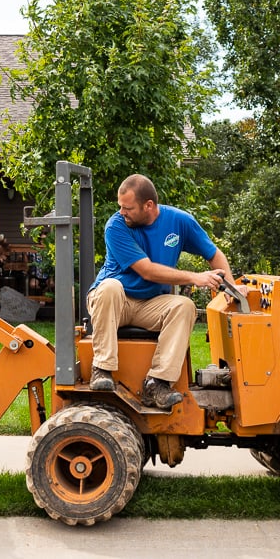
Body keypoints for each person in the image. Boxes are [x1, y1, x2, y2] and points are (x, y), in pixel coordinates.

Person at [87, 174, 234, 410]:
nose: (122, 212)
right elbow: (146, 270)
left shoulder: (179, 221)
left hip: (149, 304)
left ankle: (157, 383)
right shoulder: (116, 226)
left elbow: (214, 255)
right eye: (120, 207)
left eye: (128, 207)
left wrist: (230, 287)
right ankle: (102, 369)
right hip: (116, 302)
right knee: (111, 287)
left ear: (149, 205)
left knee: (184, 306)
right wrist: (195, 277)